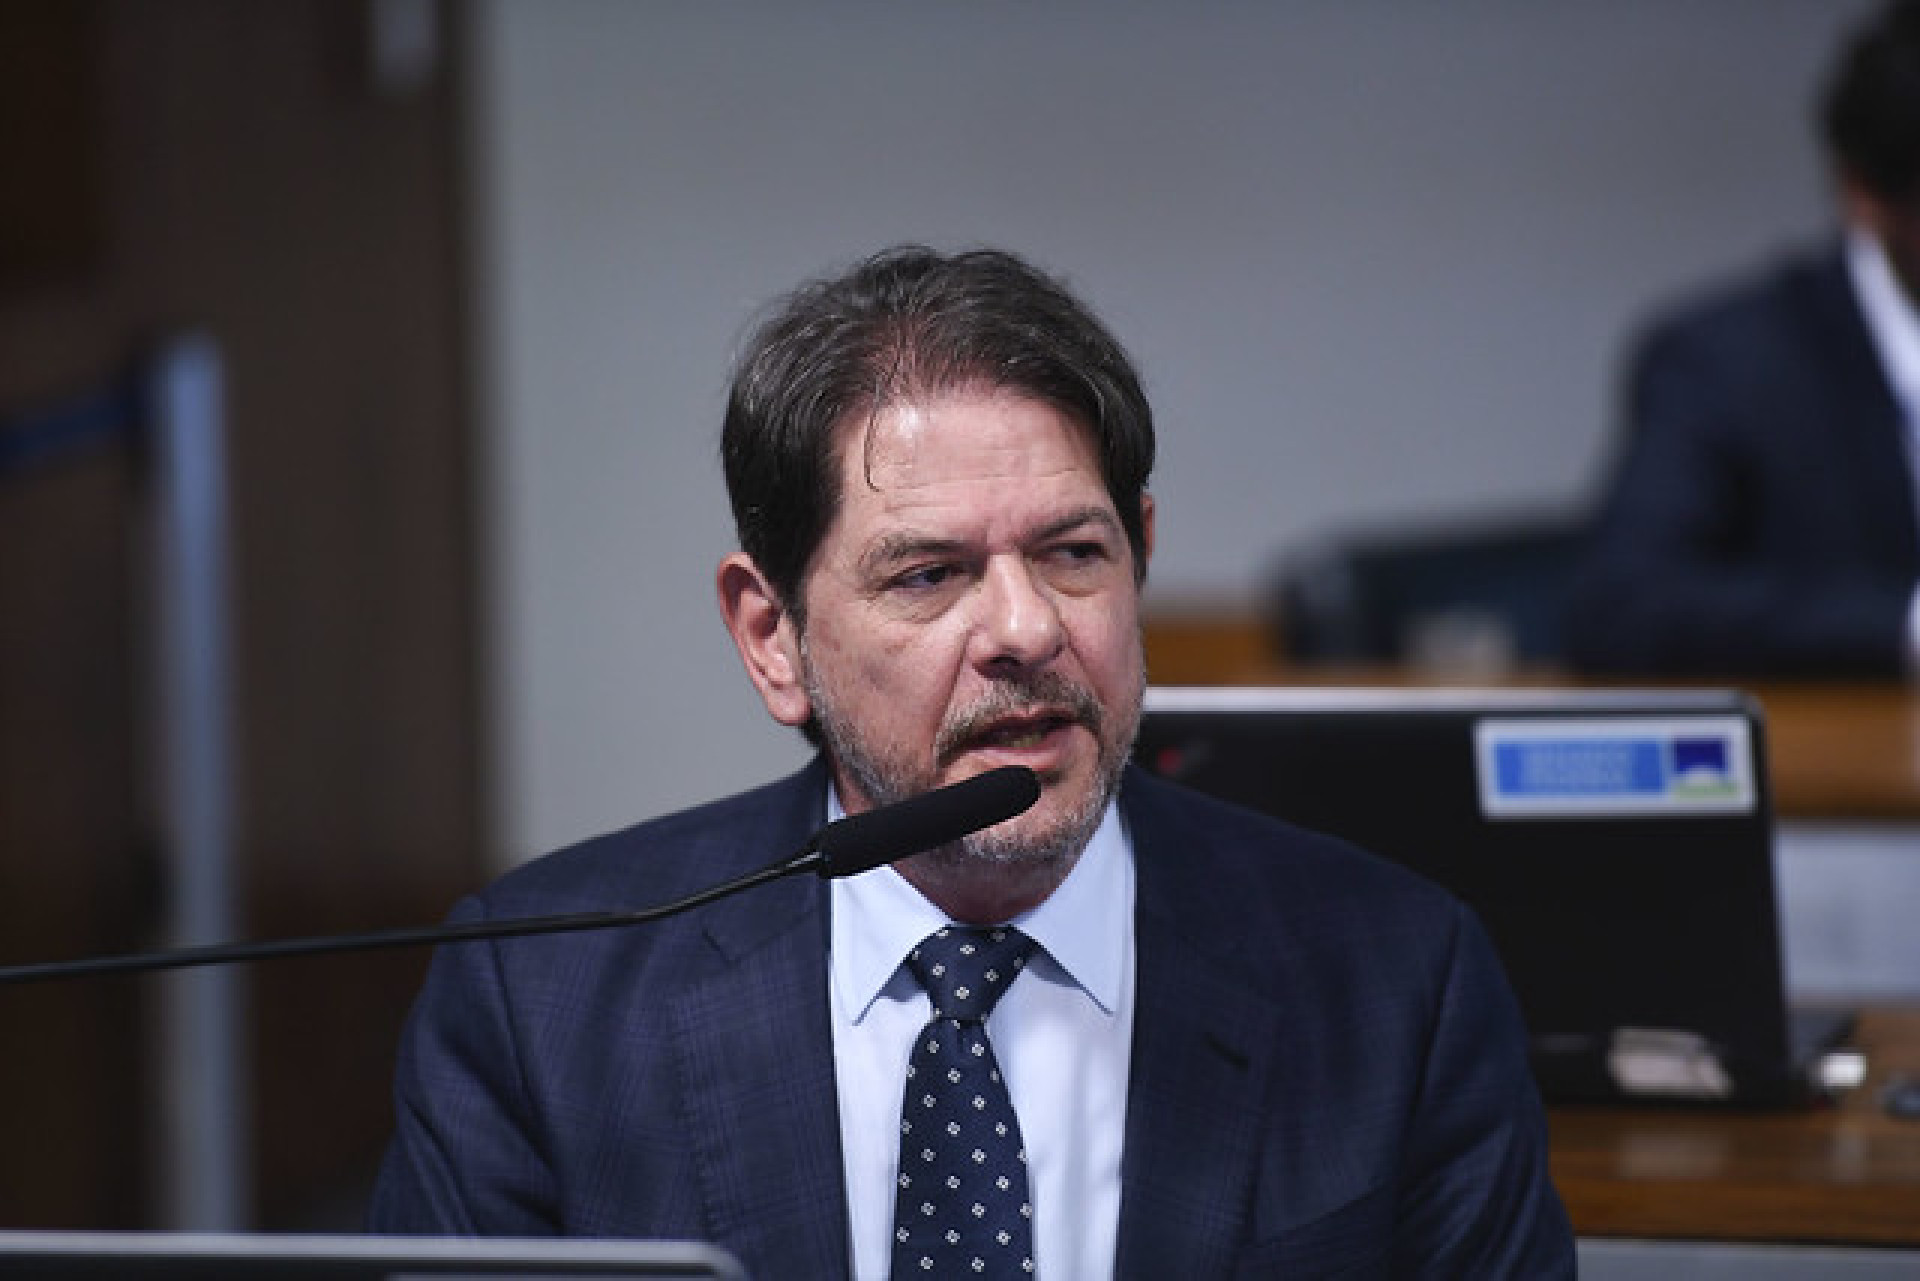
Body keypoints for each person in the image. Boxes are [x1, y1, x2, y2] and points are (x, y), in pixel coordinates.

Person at [367, 246, 1573, 1277]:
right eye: (928, 574)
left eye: (1072, 554)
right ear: (771, 637)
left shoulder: (1397, 983)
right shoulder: (541, 1006)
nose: (1027, 630)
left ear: (1138, 558)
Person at [1566, 0, 1920, 677]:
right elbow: (1624, 607)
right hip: (1851, 773)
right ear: (1866, 193)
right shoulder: (1728, 362)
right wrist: (1906, 621)